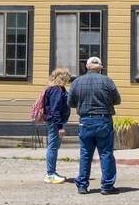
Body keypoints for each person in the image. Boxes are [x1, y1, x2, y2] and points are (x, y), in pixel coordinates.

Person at [67, 57, 120, 195]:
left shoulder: (77, 82)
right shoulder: (107, 81)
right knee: (106, 153)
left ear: (87, 67)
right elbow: (117, 100)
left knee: (85, 154)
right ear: (100, 68)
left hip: (85, 121)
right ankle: (107, 186)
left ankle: (82, 185)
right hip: (103, 120)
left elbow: (70, 102)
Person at [42, 69, 73, 184]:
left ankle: (52, 172)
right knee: (53, 147)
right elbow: (55, 110)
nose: (68, 81)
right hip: (55, 123)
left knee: (54, 147)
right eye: (67, 78)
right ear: (62, 78)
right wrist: (60, 127)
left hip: (54, 122)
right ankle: (50, 174)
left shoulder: (54, 88)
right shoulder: (56, 90)